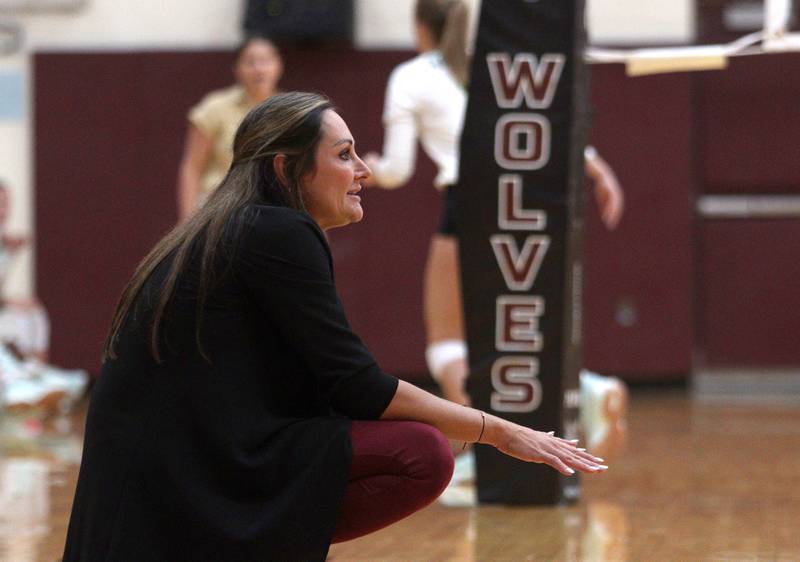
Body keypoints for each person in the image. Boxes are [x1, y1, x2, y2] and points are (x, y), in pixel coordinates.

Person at [63, 92, 606, 561]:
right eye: (344, 156)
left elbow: (324, 387)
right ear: (285, 170)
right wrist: (498, 430)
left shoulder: (231, 229)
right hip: (186, 477)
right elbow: (359, 387)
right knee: (422, 453)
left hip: (157, 478)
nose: (363, 171)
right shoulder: (279, 232)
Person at [363, 0, 627, 459]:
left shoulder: (412, 76)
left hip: (467, 202)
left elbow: (399, 169)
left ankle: (477, 460)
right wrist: (598, 167)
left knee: (448, 339)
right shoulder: (501, 68)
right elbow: (545, 123)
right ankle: (583, 388)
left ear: (420, 27)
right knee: (519, 327)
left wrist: (373, 168)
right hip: (529, 200)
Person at [177, 35, 283, 221]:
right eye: (250, 62)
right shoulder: (215, 108)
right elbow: (192, 167)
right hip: (219, 211)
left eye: (265, 61)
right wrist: (186, 224)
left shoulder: (288, 110)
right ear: (237, 69)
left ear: (278, 65)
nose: (258, 69)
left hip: (272, 210)